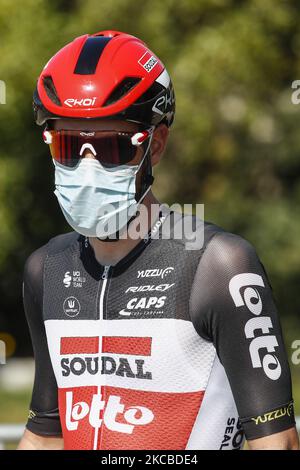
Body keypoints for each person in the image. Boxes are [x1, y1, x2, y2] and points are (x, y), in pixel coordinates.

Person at [18, 30, 298, 450]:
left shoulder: (221, 266)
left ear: (157, 144)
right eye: (68, 144)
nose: (86, 167)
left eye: (111, 147)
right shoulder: (46, 269)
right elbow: (45, 436)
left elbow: (278, 443)